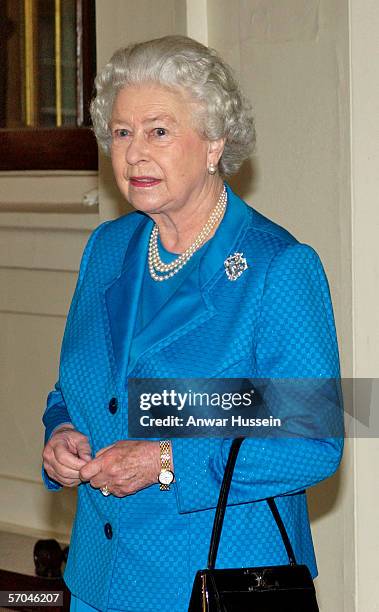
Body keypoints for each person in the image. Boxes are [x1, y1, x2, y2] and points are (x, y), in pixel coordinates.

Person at [42, 35, 343, 612]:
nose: (133, 154)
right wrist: (60, 433)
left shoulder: (276, 267)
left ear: (214, 143)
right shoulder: (108, 248)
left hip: (211, 584)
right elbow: (80, 391)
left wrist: (164, 460)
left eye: (158, 130)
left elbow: (315, 441)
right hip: (97, 580)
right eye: (122, 133)